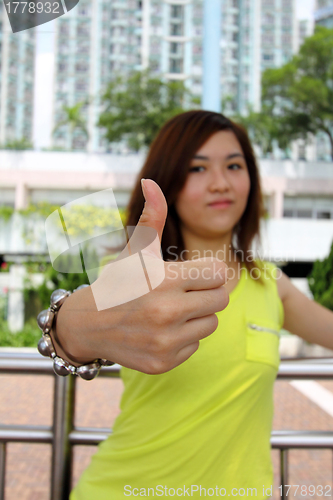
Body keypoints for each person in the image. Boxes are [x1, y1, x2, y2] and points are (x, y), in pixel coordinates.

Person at [52, 110, 333, 499]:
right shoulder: (130, 277)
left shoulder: (270, 283)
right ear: (168, 181)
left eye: (234, 165)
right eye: (198, 169)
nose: (220, 183)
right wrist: (69, 324)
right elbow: (71, 332)